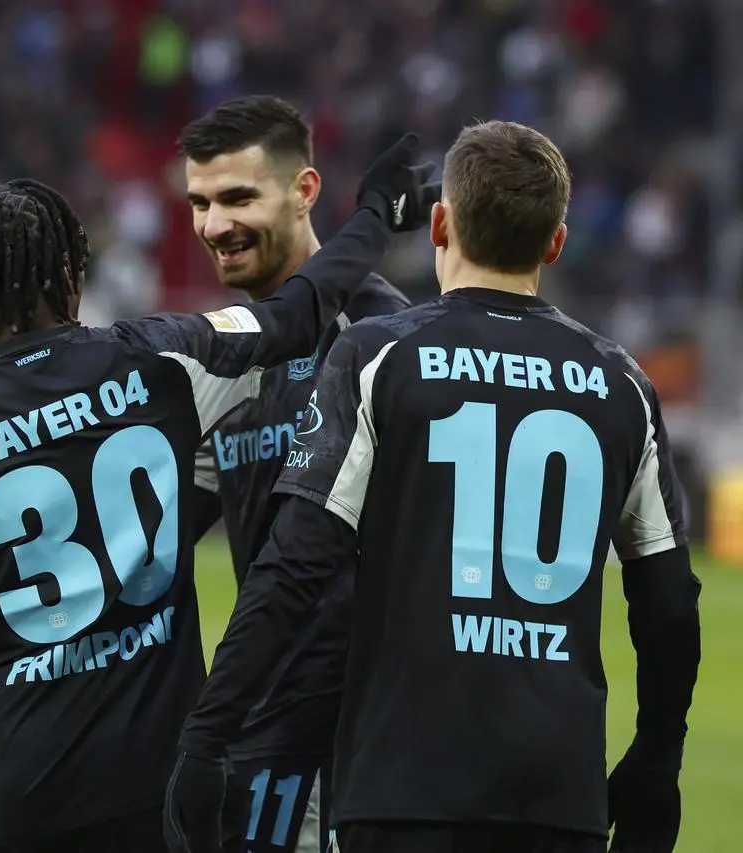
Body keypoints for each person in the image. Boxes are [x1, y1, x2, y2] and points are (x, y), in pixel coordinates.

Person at [0, 137, 439, 853]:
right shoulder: (161, 355)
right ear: (74, 272)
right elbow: (297, 312)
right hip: (150, 793)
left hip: (2, 800)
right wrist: (372, 217)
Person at [165, 121, 702, 853]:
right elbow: (669, 602)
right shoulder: (620, 382)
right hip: (558, 792)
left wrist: (206, 737)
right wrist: (656, 760)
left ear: (441, 223)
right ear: (555, 242)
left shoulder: (380, 355)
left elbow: (293, 565)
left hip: (404, 781)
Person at [178, 95, 411, 853]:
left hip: (353, 744)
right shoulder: (233, 363)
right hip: (259, 727)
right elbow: (174, 522)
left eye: (238, 197)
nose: (215, 225)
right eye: (200, 203)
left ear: (304, 191)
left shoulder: (377, 335)